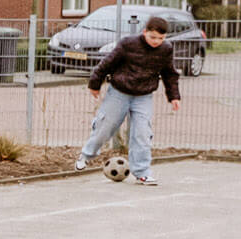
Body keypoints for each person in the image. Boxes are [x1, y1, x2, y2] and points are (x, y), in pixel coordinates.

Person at [75, 15, 181, 186]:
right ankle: (86, 156)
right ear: (145, 32)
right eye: (152, 37)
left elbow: (169, 73)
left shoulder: (166, 49)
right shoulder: (128, 44)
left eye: (161, 38)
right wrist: (95, 83)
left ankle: (142, 172)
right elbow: (107, 64)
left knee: (142, 133)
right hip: (119, 92)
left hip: (143, 96)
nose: (156, 41)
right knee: (105, 126)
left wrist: (174, 96)